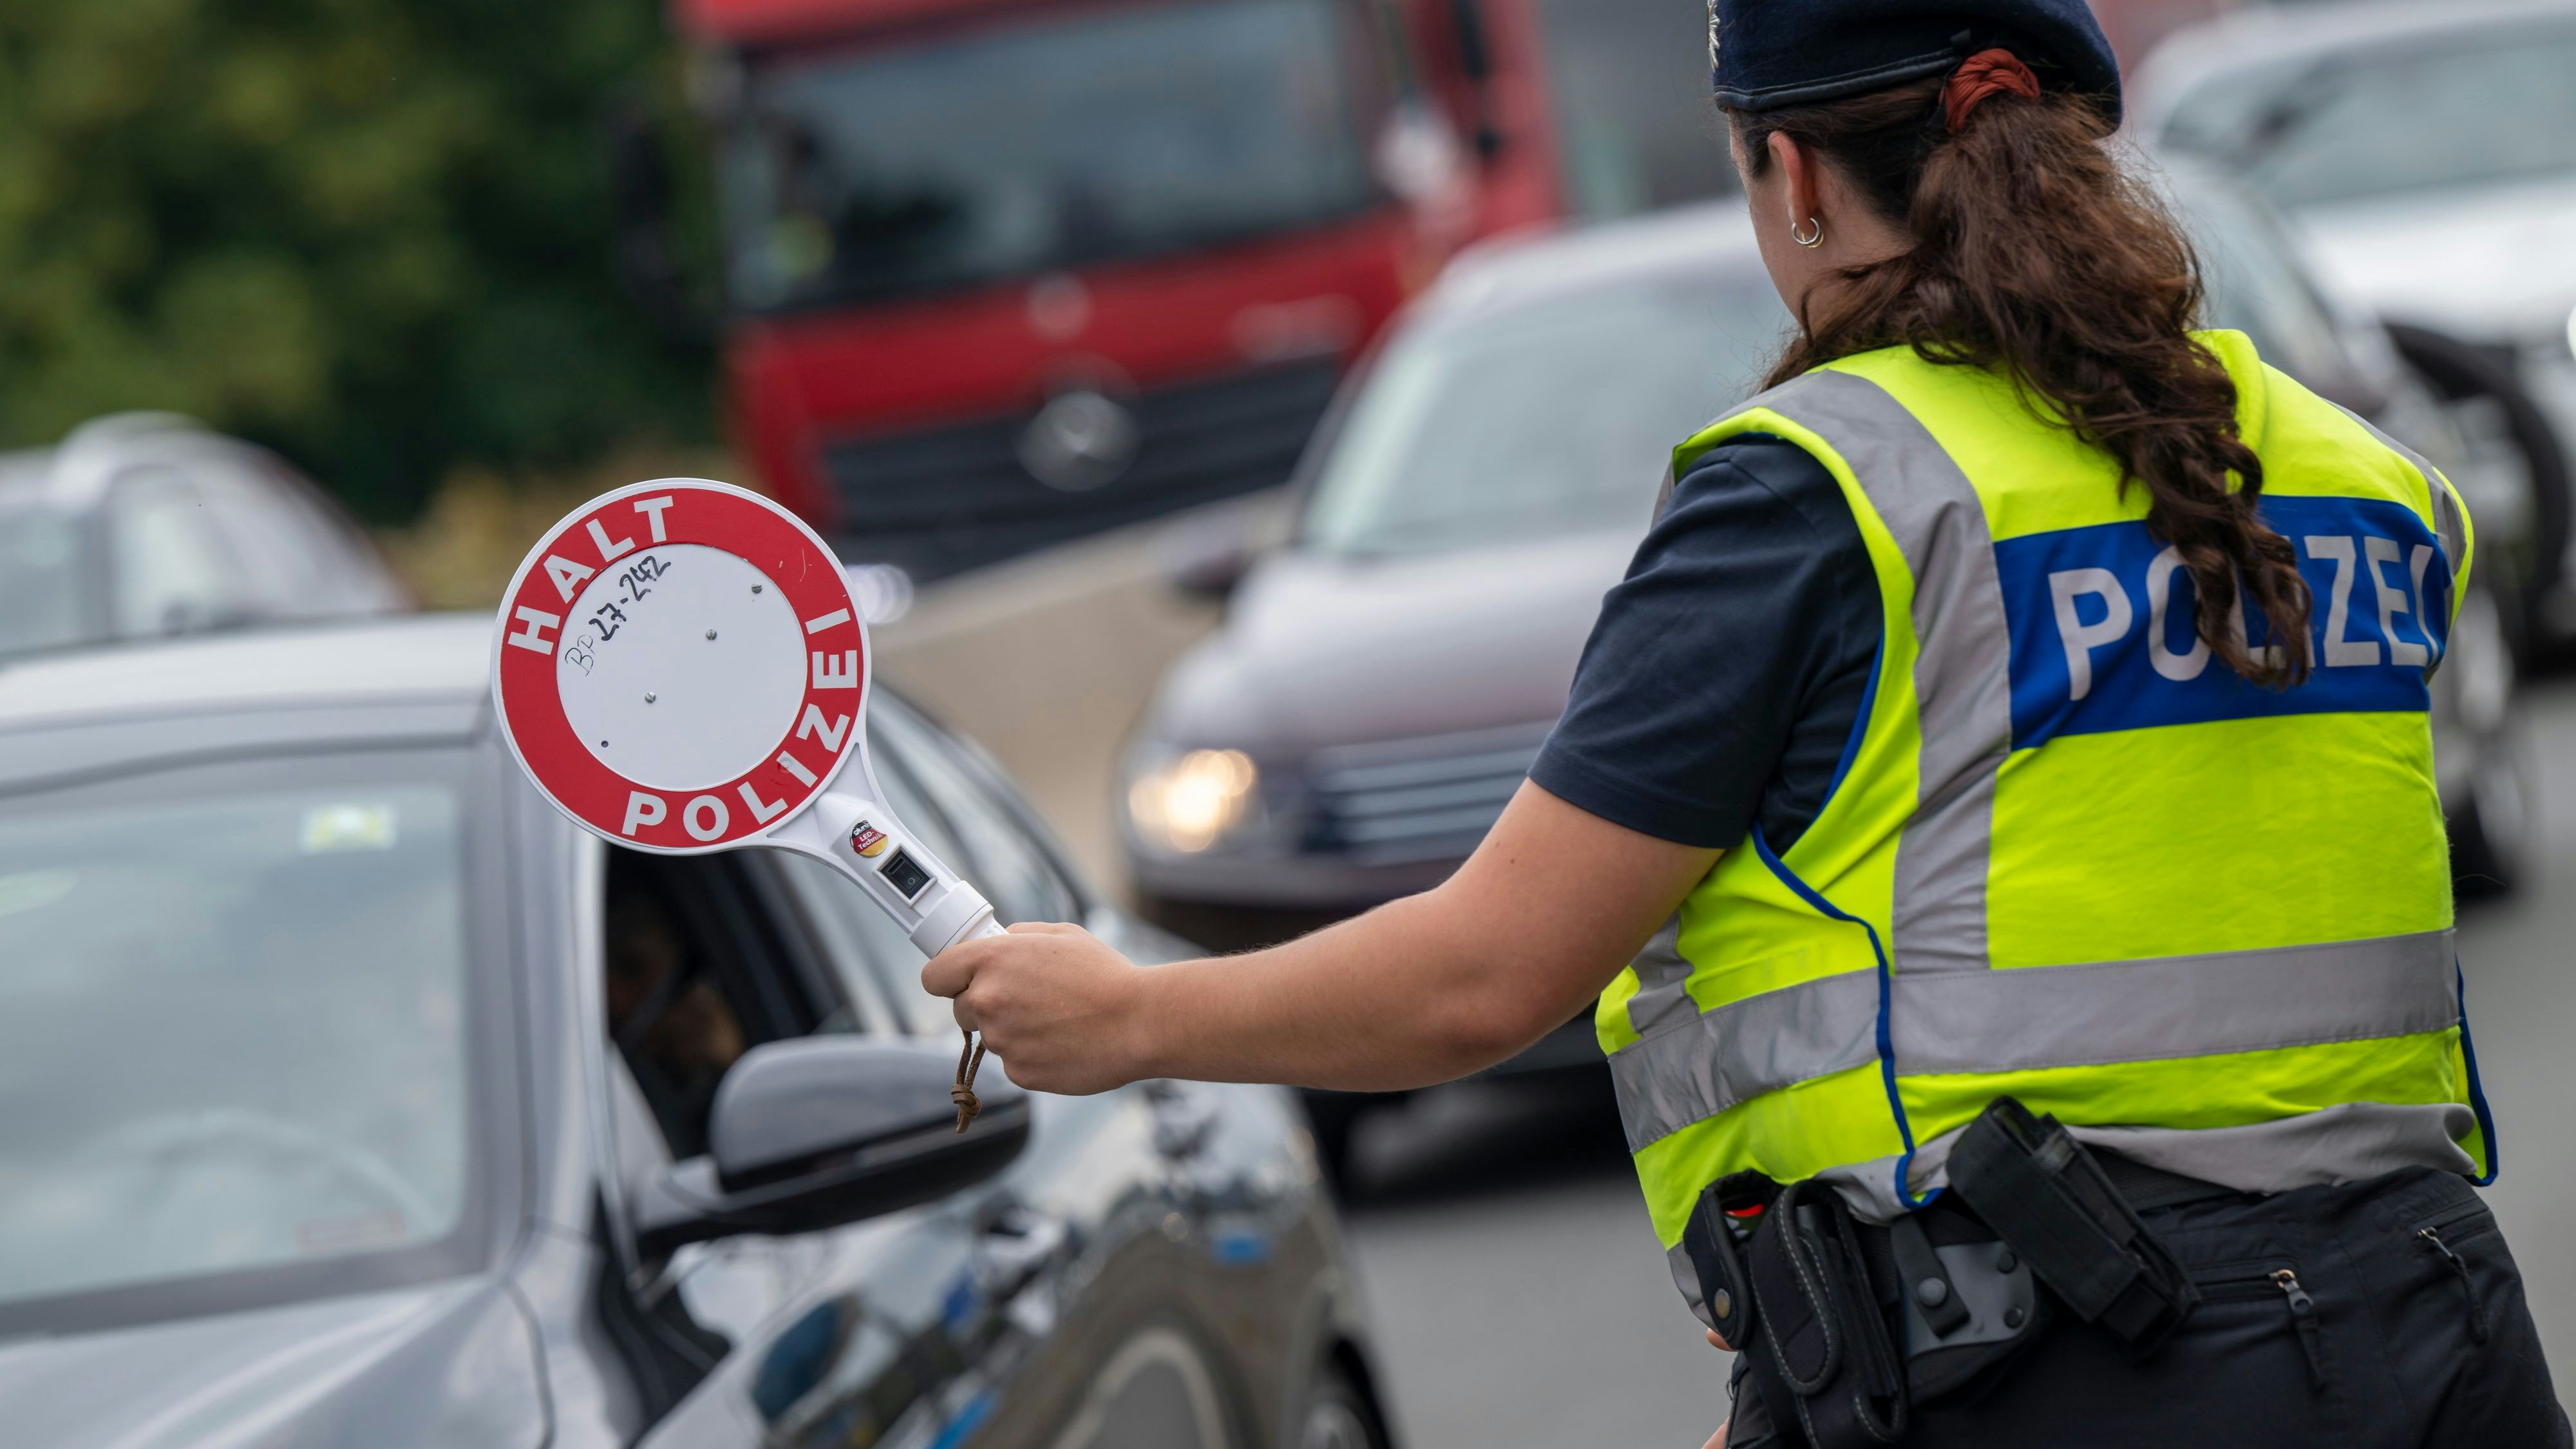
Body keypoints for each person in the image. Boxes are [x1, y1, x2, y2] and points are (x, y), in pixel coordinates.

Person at [924, 1, 2569, 1441]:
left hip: (2082, 1364)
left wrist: (1132, 1020)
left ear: (1789, 174)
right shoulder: (2353, 472)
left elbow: (1484, 978)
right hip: (2433, 1325)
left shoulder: (1815, 493)